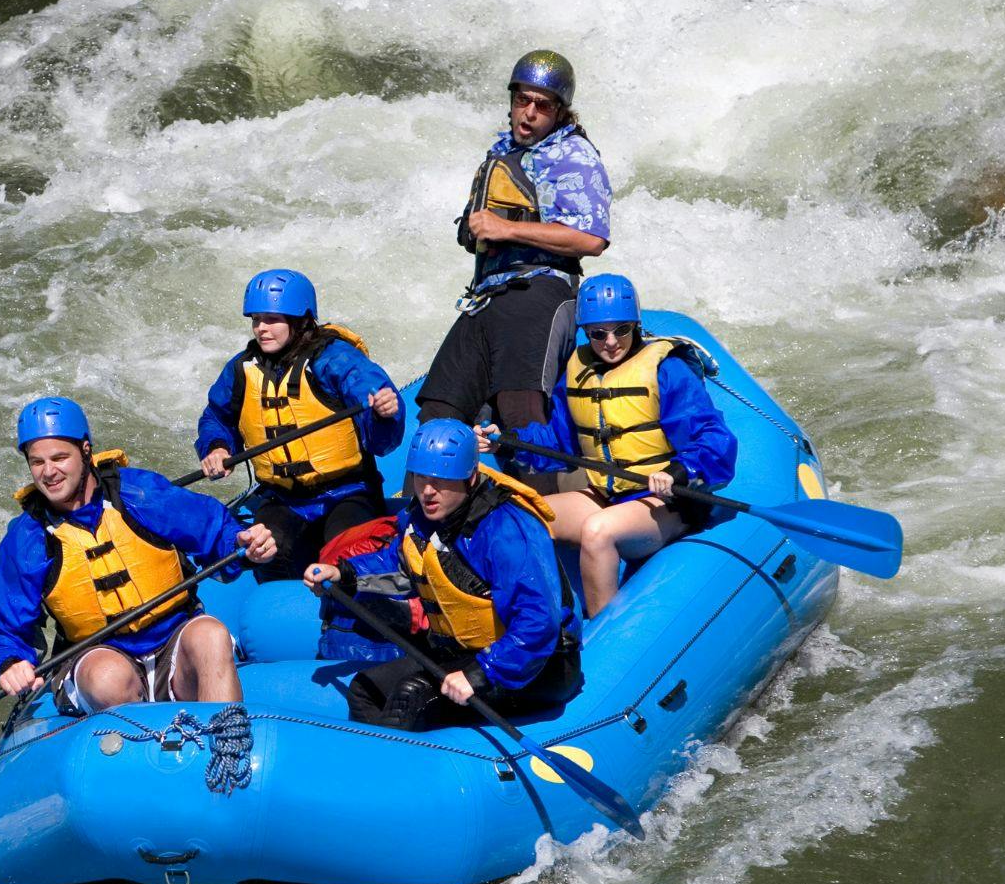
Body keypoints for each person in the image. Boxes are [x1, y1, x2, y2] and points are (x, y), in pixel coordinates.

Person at [0, 397, 278, 712]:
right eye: (37, 462)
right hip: (97, 655)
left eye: (59, 458)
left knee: (212, 635)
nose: (48, 472)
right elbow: (3, 624)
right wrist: (10, 661)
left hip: (173, 640)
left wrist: (243, 545)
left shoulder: (139, 494)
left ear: (85, 450)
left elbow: (215, 531)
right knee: (109, 678)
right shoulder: (27, 537)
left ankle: (227, 743)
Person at [303, 419, 581, 731]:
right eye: (421, 478)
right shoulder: (421, 520)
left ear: (470, 477)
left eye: (441, 481)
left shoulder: (507, 531)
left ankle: (402, 773)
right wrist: (344, 573)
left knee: (411, 698)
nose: (428, 492)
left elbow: (538, 621)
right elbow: (399, 565)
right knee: (365, 690)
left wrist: (481, 673)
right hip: (462, 653)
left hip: (537, 665)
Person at [500, 274, 737, 617]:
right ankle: (543, 622)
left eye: (621, 330)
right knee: (522, 516)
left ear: (635, 325)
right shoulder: (578, 371)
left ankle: (603, 637)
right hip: (607, 495)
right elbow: (557, 442)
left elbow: (714, 439)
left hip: (667, 502)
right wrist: (506, 444)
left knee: (598, 532)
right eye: (598, 333)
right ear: (586, 331)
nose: (611, 342)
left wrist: (678, 471)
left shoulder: (666, 370)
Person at [418, 49, 614, 440]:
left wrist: (508, 231)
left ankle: (541, 500)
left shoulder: (574, 156)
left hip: (541, 289)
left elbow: (592, 239)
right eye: (522, 100)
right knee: (439, 409)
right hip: (488, 296)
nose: (529, 112)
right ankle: (425, 497)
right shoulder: (503, 153)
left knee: (518, 406)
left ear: (559, 112)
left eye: (541, 105)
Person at [196, 268, 404, 581]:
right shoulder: (241, 369)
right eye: (256, 319)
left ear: (301, 319)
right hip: (284, 498)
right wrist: (216, 446)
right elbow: (217, 416)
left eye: (272, 319)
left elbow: (381, 432)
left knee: (349, 555)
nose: (261, 329)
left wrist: (383, 413)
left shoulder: (334, 360)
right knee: (267, 554)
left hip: (347, 492)